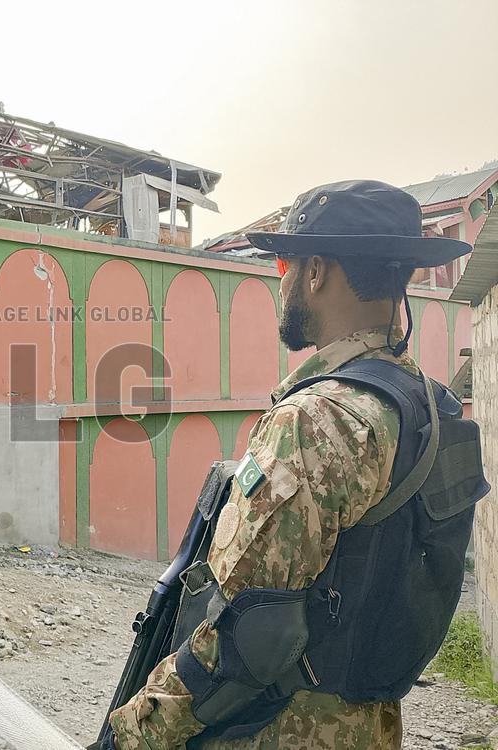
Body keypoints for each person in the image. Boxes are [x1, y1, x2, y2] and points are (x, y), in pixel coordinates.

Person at [107, 180, 483, 749]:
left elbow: (246, 631)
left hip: (279, 730)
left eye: (284, 263)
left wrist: (132, 733)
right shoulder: (428, 403)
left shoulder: (315, 420)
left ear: (316, 272)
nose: (279, 280)